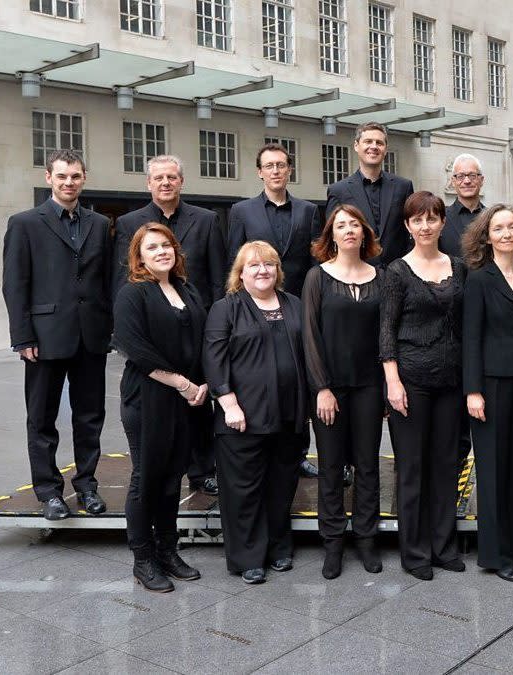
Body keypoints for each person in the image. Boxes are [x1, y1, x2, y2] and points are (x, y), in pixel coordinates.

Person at [2, 149, 111, 521]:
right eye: (62, 176)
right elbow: (15, 285)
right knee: (42, 417)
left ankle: (87, 486)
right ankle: (48, 491)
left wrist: (108, 326)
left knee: (90, 416)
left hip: (91, 335)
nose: (69, 182)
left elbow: (105, 280)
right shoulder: (25, 223)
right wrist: (23, 337)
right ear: (48, 177)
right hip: (44, 337)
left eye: (76, 176)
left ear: (84, 178)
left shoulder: (98, 224)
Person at [114, 154, 225, 496]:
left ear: (181, 181)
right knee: (163, 412)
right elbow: (122, 279)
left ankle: (202, 471)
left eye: (172, 177)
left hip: (197, 325)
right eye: (159, 178)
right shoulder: (129, 222)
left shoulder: (206, 220)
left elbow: (219, 278)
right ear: (148, 184)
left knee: (199, 408)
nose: (165, 183)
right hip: (154, 332)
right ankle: (162, 479)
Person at [204, 242, 310, 584]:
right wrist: (228, 402)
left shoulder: (294, 304)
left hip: (289, 414)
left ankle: (279, 547)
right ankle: (248, 557)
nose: (262, 270)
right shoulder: (226, 308)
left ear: (278, 270)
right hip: (242, 416)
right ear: (240, 273)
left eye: (269, 264)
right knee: (244, 489)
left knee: (281, 486)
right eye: (254, 266)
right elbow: (214, 358)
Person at [113, 224, 207, 592]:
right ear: (139, 256)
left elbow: (201, 340)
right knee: (146, 477)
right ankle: (143, 559)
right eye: (152, 247)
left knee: (172, 478)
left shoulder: (187, 289)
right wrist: (183, 384)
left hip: (186, 399)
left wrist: (203, 384)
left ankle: (168, 551)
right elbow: (134, 347)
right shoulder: (132, 294)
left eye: (166, 245)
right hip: (148, 398)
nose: (162, 251)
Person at [380, 191, 467, 581]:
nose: (426, 225)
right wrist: (393, 383)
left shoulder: (460, 268)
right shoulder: (397, 272)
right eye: (418, 219)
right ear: (408, 226)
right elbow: (386, 333)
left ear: (442, 223)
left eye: (432, 218)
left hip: (451, 382)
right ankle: (415, 552)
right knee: (412, 468)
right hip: (411, 382)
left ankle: (444, 546)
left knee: (447, 466)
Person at [227, 142, 320, 479]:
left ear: (289, 169)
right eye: (270, 166)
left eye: (281, 165)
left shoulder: (308, 211)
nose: (276, 171)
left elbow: (314, 264)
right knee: (262, 380)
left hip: (296, 309)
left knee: (299, 380)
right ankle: (263, 447)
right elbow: (235, 262)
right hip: (254, 310)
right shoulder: (242, 211)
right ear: (260, 172)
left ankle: (298, 454)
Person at [462, 204, 513, 583]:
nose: (507, 233)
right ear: (487, 235)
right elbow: (471, 338)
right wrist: (473, 390)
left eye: (512, 227)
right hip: (491, 385)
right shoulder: (478, 280)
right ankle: (498, 554)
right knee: (493, 470)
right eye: (499, 228)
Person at [302, 205, 385, 579]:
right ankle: (333, 542)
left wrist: (386, 388)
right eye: (341, 225)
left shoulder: (381, 278)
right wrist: (321, 388)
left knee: (368, 466)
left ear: (364, 233)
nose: (348, 230)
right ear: (331, 235)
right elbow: (310, 336)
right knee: (332, 467)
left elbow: (387, 336)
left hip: (369, 386)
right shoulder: (317, 278)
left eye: (354, 224)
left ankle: (367, 538)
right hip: (330, 389)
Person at [440, 153, 487, 466]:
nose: (467, 180)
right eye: (460, 176)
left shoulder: (495, 217)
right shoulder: (441, 219)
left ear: (482, 180)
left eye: (472, 175)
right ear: (452, 181)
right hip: (451, 315)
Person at [326, 121, 415, 266]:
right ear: (356, 146)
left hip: (398, 273)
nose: (374, 146)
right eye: (368, 141)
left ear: (385, 149)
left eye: (379, 143)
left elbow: (411, 231)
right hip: (356, 273)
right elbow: (332, 236)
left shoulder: (403, 187)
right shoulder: (338, 191)